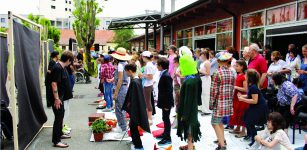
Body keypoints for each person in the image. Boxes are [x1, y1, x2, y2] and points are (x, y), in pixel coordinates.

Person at [177, 46, 202, 150]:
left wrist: (185, 115)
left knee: (189, 131)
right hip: (193, 108)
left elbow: (187, 100)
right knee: (190, 131)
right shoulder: (195, 78)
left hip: (189, 111)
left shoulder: (189, 82)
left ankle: (190, 147)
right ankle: (189, 145)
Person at [210, 51, 235, 150]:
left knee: (215, 122)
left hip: (219, 101)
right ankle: (222, 140)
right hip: (227, 101)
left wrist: (211, 103)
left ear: (219, 61)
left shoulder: (218, 72)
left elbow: (214, 90)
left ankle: (222, 145)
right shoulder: (231, 72)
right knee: (218, 122)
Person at [122, 64, 150, 150]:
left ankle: (138, 145)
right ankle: (136, 141)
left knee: (133, 126)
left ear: (130, 71)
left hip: (135, 108)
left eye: (126, 71)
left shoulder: (135, 82)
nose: (125, 73)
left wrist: (131, 108)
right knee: (132, 126)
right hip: (136, 107)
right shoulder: (136, 80)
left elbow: (134, 97)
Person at [238, 69, 268, 147]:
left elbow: (254, 100)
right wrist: (242, 96)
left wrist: (243, 99)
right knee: (246, 120)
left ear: (249, 77)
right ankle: (252, 137)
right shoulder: (252, 86)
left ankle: (254, 139)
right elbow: (250, 95)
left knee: (250, 122)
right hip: (256, 106)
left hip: (259, 107)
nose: (245, 77)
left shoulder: (253, 87)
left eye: (246, 75)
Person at [50, 50, 74, 148]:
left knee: (61, 115)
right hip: (57, 98)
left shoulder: (61, 67)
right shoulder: (58, 68)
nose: (71, 63)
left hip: (60, 97)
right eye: (71, 61)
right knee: (58, 118)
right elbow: (54, 83)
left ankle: (59, 134)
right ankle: (56, 141)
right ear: (68, 60)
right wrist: (56, 98)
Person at [110, 47, 132, 138]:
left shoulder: (120, 65)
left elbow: (120, 79)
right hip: (124, 87)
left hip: (121, 88)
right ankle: (121, 126)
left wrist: (116, 93)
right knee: (120, 108)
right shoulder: (125, 63)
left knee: (119, 109)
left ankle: (123, 130)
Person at [155, 57, 174, 145]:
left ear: (161, 66)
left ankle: (167, 137)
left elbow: (169, 91)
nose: (156, 66)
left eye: (157, 65)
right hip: (164, 101)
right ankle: (165, 134)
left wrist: (167, 105)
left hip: (166, 102)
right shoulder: (164, 74)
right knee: (164, 118)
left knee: (166, 119)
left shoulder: (166, 76)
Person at [229, 60, 249, 138]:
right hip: (237, 97)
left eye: (237, 66)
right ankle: (237, 128)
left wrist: (236, 87)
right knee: (236, 112)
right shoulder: (239, 74)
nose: (235, 67)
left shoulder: (244, 76)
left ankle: (243, 131)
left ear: (242, 67)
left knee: (242, 113)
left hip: (242, 98)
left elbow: (245, 89)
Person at [141, 51, 156, 125]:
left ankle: (149, 118)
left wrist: (142, 75)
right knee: (148, 101)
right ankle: (149, 117)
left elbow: (150, 77)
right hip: (148, 84)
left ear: (144, 57)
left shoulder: (148, 65)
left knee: (147, 101)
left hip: (147, 85)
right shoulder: (150, 64)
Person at [198, 51, 211, 116]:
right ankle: (202, 108)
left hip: (206, 79)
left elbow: (208, 73)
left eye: (202, 54)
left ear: (205, 55)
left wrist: (199, 71)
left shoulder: (207, 62)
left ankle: (206, 110)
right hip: (202, 78)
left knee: (205, 94)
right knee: (202, 93)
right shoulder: (204, 62)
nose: (201, 56)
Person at [172, 56, 182, 129]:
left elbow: (180, 78)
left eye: (174, 62)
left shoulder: (180, 68)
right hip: (177, 85)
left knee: (178, 102)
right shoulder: (177, 68)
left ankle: (179, 119)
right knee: (177, 101)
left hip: (178, 86)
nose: (173, 63)